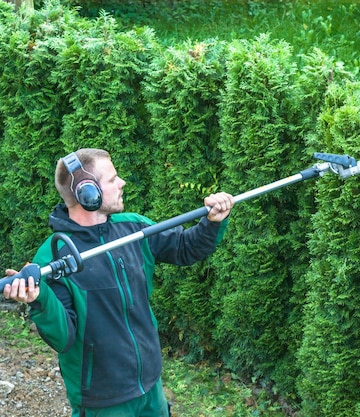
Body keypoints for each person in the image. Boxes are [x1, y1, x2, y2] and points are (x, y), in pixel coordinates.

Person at [2, 148, 234, 417]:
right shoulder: (53, 257)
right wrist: (39, 299)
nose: (122, 182)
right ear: (87, 193)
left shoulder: (133, 228)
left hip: (150, 386)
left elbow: (185, 248)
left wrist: (213, 222)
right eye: (112, 179)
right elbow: (63, 337)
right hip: (103, 399)